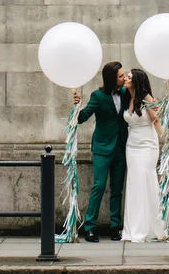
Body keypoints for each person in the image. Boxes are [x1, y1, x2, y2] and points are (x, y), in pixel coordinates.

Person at [71, 62, 129, 242]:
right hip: (102, 149)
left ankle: (115, 227)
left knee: (117, 189)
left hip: (121, 148)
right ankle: (89, 227)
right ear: (112, 78)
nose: (124, 77)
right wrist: (77, 105)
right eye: (120, 75)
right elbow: (81, 118)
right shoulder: (97, 96)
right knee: (99, 186)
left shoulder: (126, 93)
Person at [120, 67, 168, 243]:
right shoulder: (127, 97)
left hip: (147, 146)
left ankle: (148, 228)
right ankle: (132, 229)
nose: (125, 78)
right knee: (134, 184)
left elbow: (156, 121)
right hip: (131, 146)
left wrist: (166, 138)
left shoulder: (146, 98)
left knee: (145, 182)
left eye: (129, 77)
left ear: (137, 81)